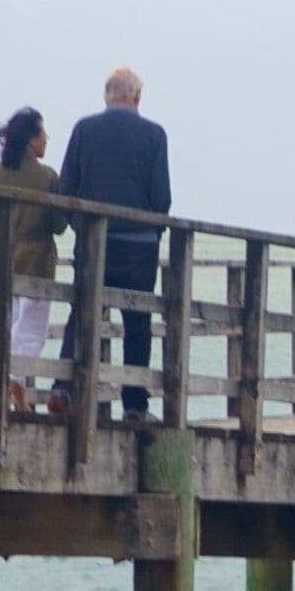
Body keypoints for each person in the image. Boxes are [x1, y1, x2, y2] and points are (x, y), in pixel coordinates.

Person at [54, 65, 174, 411]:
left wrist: (81, 228)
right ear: (137, 96)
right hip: (139, 245)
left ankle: (64, 387)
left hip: (94, 242)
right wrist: (153, 231)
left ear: (106, 96)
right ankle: (134, 403)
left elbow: (67, 188)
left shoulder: (84, 129)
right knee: (137, 322)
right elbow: (161, 196)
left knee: (82, 313)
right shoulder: (154, 135)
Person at [0, 107, 65, 412]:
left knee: (9, 324)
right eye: (42, 134)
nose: (46, 139)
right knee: (32, 332)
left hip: (4, 260)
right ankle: (11, 378)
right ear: (31, 140)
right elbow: (59, 225)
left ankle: (13, 388)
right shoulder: (48, 177)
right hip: (37, 262)